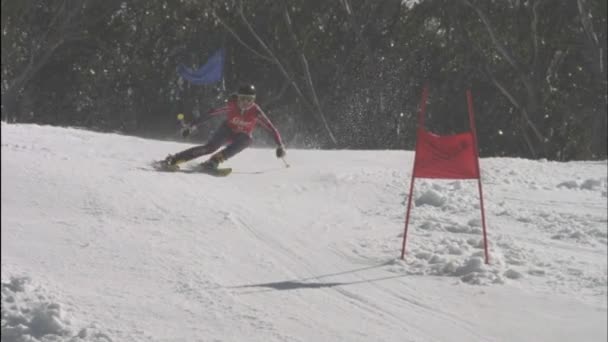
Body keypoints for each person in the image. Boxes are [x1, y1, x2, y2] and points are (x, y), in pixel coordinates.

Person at [160, 84, 286, 171]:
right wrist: (191, 126)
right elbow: (211, 114)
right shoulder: (232, 106)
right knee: (210, 148)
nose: (246, 103)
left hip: (241, 136)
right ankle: (174, 159)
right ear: (237, 98)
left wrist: (280, 145)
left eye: (250, 100)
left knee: (247, 139)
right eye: (243, 99)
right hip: (227, 130)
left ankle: (214, 161)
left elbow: (271, 128)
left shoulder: (256, 112)